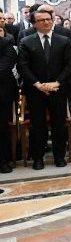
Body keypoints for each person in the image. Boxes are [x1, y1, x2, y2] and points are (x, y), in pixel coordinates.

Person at [18, 9, 71, 169]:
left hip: (58, 89)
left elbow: (70, 65)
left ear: (52, 20)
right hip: (36, 90)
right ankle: (38, 158)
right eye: (41, 20)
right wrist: (38, 84)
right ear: (34, 24)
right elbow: (23, 67)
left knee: (59, 123)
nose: (46, 22)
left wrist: (56, 83)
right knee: (38, 125)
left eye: (48, 19)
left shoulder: (64, 41)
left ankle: (59, 156)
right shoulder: (26, 41)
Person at [0, 26, 16, 172]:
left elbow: (6, 65)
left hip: (2, 91)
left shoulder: (6, 42)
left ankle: (4, 160)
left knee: (2, 127)